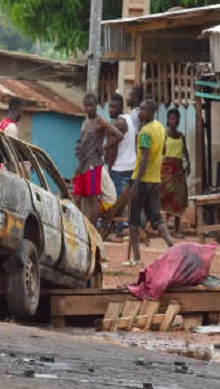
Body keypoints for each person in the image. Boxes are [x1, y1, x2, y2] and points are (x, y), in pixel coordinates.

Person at [128, 99, 174, 266]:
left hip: (141, 180)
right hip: (155, 179)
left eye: (143, 110)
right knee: (156, 218)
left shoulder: (145, 133)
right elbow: (163, 150)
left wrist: (135, 184)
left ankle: (136, 258)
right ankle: (171, 245)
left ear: (150, 112)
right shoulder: (160, 128)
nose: (140, 112)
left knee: (133, 221)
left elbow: (144, 158)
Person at [73, 93, 123, 224]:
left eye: (91, 105)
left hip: (93, 164)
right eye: (86, 106)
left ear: (96, 105)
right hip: (83, 164)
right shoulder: (85, 122)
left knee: (92, 199)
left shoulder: (100, 121)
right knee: (77, 197)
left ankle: (92, 230)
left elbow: (118, 135)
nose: (89, 108)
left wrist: (104, 148)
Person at [105, 93, 137, 235]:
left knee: (117, 200)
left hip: (119, 167)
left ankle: (119, 229)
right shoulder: (129, 120)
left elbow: (112, 149)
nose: (110, 110)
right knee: (127, 200)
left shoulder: (117, 124)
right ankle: (125, 226)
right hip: (131, 165)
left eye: (114, 107)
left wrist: (109, 166)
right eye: (110, 107)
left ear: (120, 108)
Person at [159, 108, 190, 235]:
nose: (175, 121)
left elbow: (185, 151)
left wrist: (188, 164)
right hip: (167, 171)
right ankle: (161, 226)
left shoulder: (181, 136)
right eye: (172, 118)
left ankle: (177, 229)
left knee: (179, 199)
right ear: (168, 120)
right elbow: (161, 152)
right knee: (163, 197)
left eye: (177, 119)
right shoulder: (165, 135)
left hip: (179, 171)